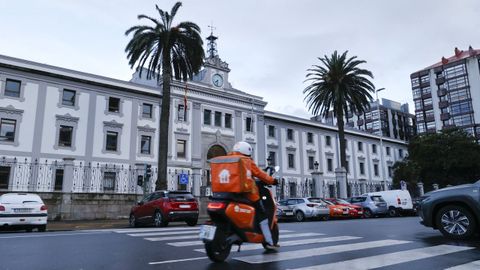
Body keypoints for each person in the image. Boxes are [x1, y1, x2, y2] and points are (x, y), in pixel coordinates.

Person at [230, 141, 280, 250]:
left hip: (229, 193)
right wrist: (273, 180)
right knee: (262, 214)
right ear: (247, 151)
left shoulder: (228, 160)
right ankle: (269, 242)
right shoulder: (247, 161)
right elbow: (259, 174)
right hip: (248, 194)